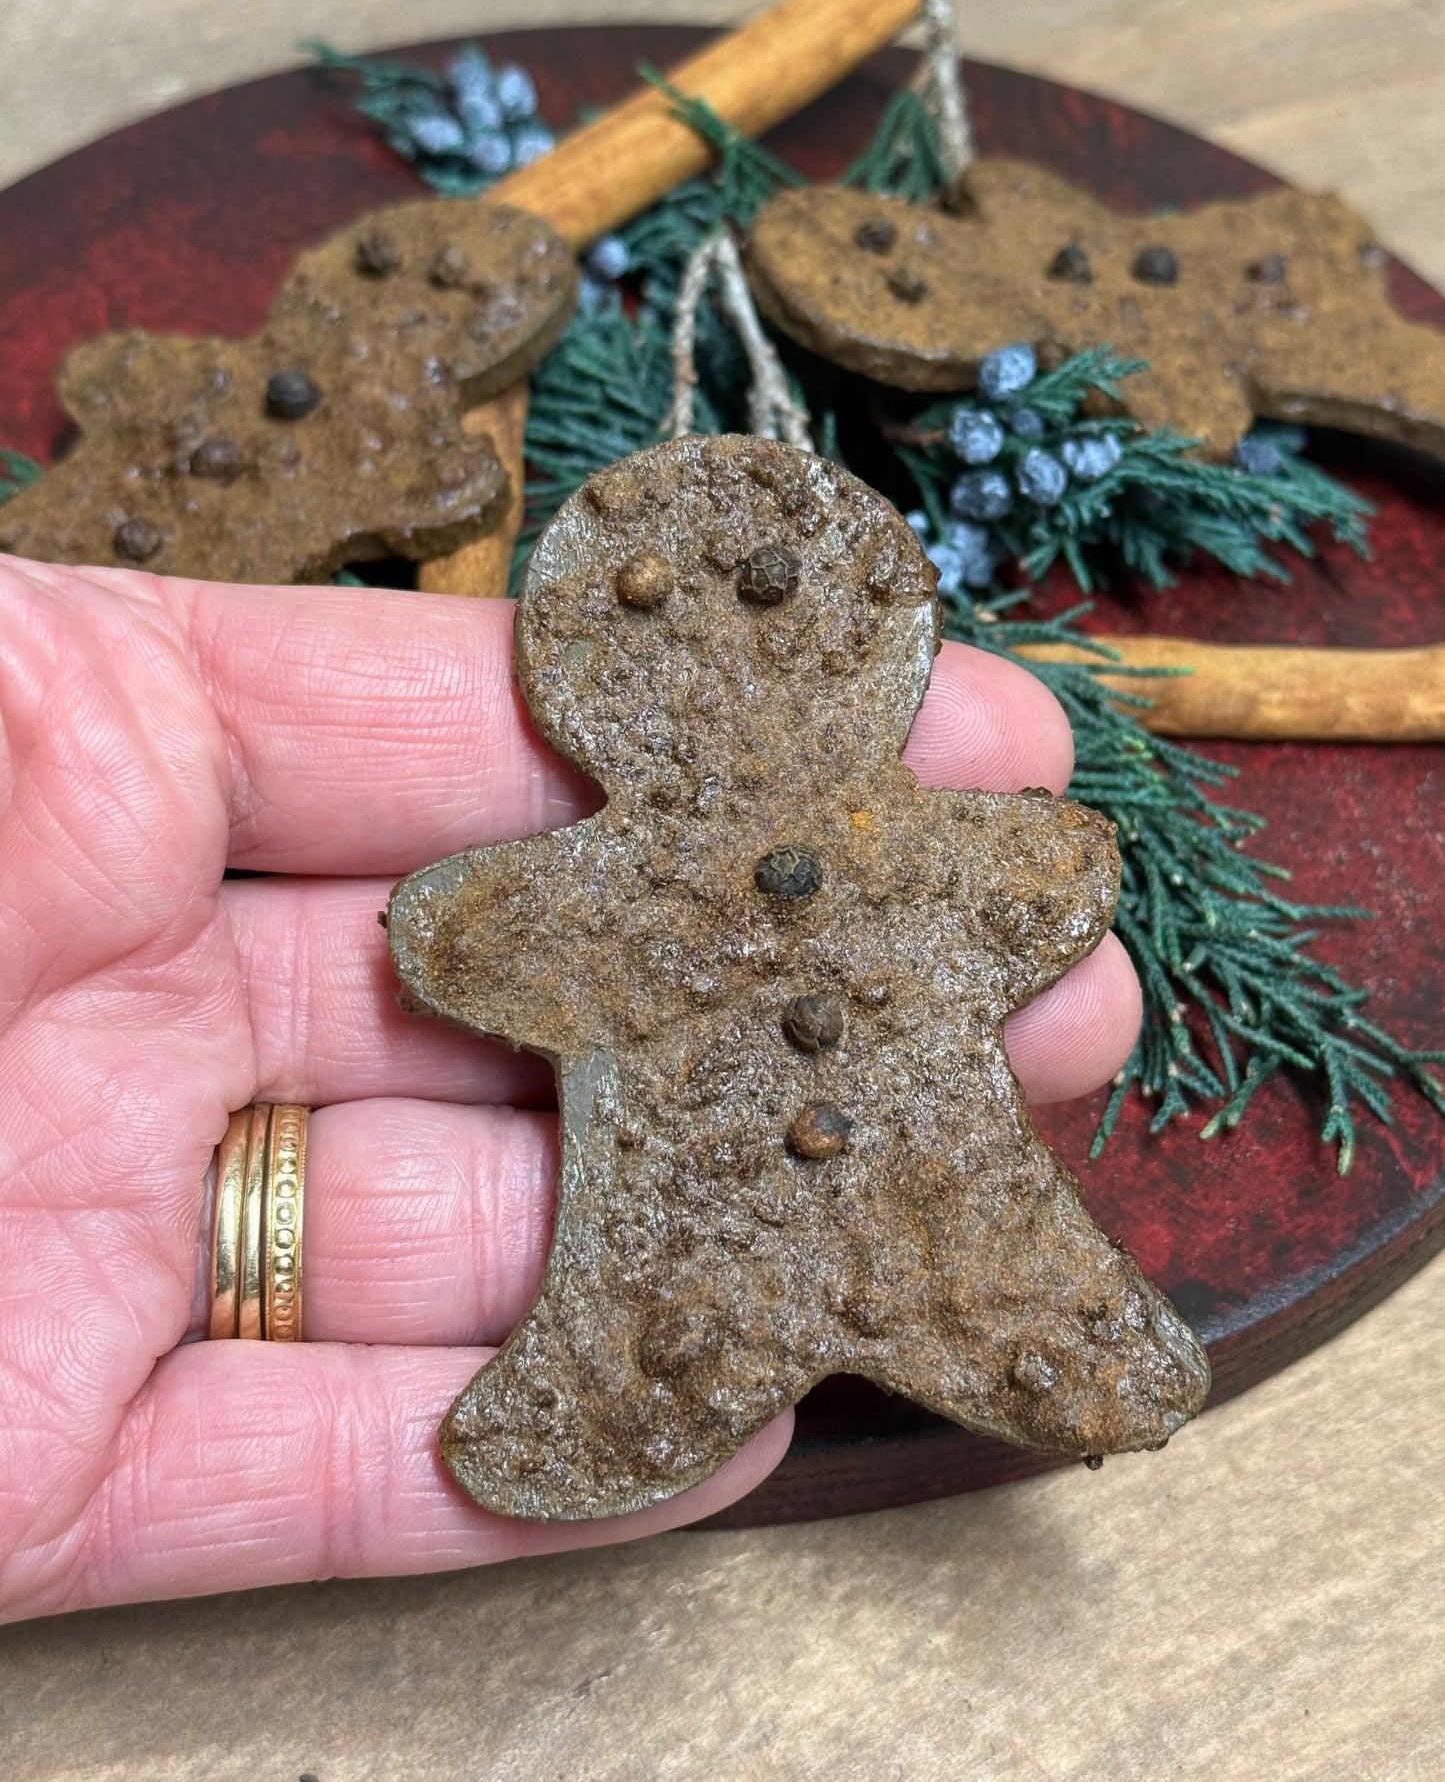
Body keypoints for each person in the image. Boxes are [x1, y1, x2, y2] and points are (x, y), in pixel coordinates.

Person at [0, 556, 1140, 1623]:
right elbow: (456, 937)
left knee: (980, 1263)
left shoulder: (923, 855)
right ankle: (620, 1405)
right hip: (685, 1220)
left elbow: (1052, 868)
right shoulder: (621, 887)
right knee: (661, 1314)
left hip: (930, 1190)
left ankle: (1047, 1346)